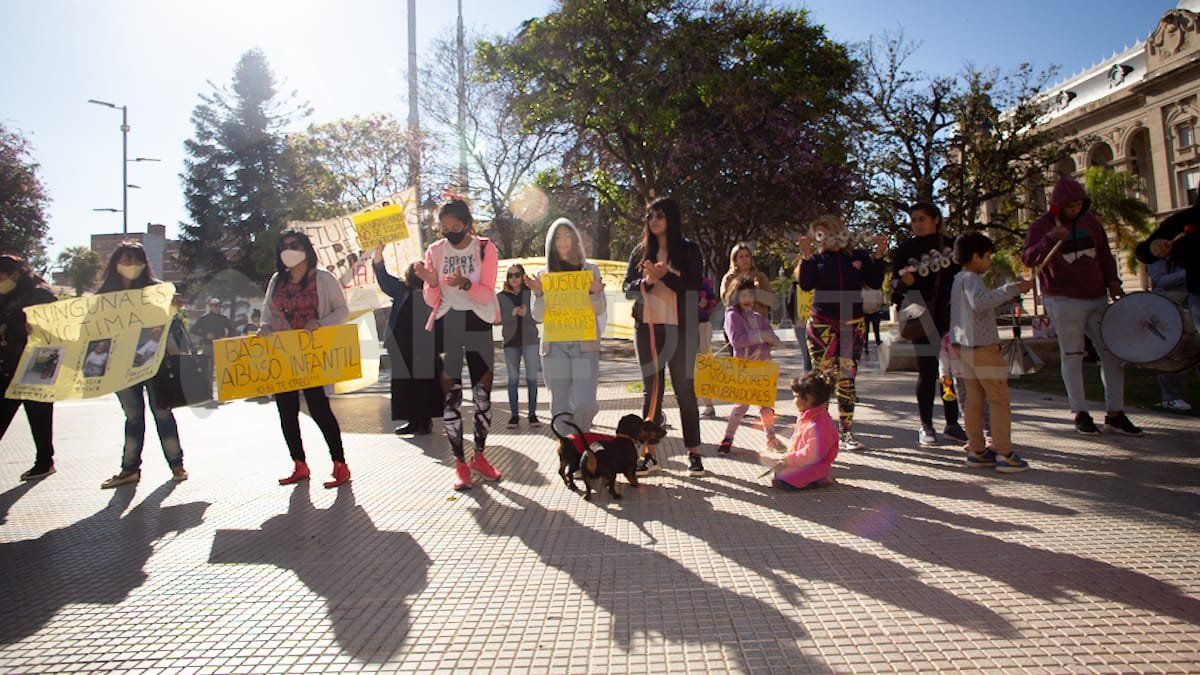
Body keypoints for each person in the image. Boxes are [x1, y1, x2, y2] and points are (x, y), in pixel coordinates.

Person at [1021, 175, 1142, 436]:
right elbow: (1028, 259)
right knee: (1072, 354)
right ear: (1058, 205)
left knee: (1111, 352)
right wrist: (1050, 238)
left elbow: (1105, 256)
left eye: (1078, 205)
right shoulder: (1042, 226)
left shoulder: (1091, 222)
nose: (1075, 210)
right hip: (1063, 298)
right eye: (1070, 206)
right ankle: (1080, 412)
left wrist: (1113, 282)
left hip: (1096, 296)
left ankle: (1115, 413)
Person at [414, 199, 503, 491]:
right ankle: (460, 463)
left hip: (478, 321)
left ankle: (480, 456)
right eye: (445, 228)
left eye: (456, 227)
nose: (450, 232)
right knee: (451, 396)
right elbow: (431, 299)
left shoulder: (484, 248)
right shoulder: (435, 251)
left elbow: (487, 293)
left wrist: (466, 284)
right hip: (448, 323)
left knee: (482, 395)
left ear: (467, 223)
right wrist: (432, 282)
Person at [622, 197, 706, 476]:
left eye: (659, 215)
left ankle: (694, 452)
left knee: (684, 390)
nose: (654, 220)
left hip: (680, 328)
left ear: (671, 218)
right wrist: (647, 281)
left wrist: (664, 276)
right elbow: (627, 288)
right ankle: (650, 455)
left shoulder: (689, 250)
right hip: (646, 328)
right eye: (649, 216)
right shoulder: (640, 251)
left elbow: (694, 286)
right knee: (653, 393)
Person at [261, 230, 352, 488]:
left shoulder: (323, 279)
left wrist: (321, 324)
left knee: (319, 408)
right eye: (284, 246)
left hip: (314, 355)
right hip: (283, 355)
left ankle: (340, 464)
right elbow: (267, 313)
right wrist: (266, 327)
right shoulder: (277, 281)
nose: (288, 249)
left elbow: (342, 310)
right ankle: (299, 464)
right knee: (287, 412)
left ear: (306, 249)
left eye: (294, 245)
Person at [96, 242, 189, 488]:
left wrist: (173, 307)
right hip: (120, 366)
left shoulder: (156, 290)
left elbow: (170, 323)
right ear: (115, 263)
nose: (132, 266)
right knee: (133, 416)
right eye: (126, 260)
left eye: (137, 261)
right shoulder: (103, 297)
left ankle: (177, 465)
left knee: (162, 411)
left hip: (153, 362)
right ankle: (129, 469)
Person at [796, 216, 887, 451]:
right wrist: (805, 256)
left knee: (847, 378)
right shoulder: (816, 259)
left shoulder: (857, 257)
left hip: (852, 324)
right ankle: (819, 432)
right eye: (818, 235)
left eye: (825, 233)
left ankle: (846, 432)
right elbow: (805, 284)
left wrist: (878, 254)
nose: (822, 239)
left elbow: (874, 281)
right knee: (822, 380)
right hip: (821, 325)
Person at [950, 232, 1033, 473]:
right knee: (998, 399)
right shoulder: (972, 279)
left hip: (964, 347)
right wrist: (1011, 289)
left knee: (974, 399)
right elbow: (981, 302)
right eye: (987, 257)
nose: (989, 262)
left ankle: (977, 450)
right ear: (976, 257)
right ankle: (1004, 452)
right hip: (983, 347)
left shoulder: (958, 279)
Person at [890, 202, 967, 446]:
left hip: (949, 314)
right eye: (914, 220)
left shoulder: (952, 245)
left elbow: (964, 278)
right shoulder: (905, 249)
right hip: (920, 314)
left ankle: (952, 422)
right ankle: (926, 425)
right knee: (927, 371)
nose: (918, 224)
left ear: (935, 219)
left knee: (951, 372)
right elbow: (894, 289)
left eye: (922, 219)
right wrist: (905, 282)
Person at [529, 219, 606, 438]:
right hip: (555, 348)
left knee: (585, 403)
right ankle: (569, 450)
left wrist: (595, 292)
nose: (563, 242)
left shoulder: (590, 270)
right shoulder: (543, 275)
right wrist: (539, 294)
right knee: (560, 404)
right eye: (558, 237)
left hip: (584, 347)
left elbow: (599, 309)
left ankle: (580, 440)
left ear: (576, 239)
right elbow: (537, 316)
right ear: (551, 243)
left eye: (568, 235)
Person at [1136, 200, 1200, 410]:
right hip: (1189, 297)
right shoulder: (1186, 221)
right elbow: (1144, 251)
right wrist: (1153, 248)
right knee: (1176, 346)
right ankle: (1173, 396)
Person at [0, 254, 58, 481]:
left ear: (15, 274)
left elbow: (56, 324)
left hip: (36, 362)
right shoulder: (5, 295)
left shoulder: (40, 294)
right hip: (8, 362)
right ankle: (45, 461)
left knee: (39, 415)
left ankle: (44, 462)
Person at [373, 245, 441, 436]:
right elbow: (383, 277)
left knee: (424, 383)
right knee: (405, 384)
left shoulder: (434, 290)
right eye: (415, 270)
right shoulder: (401, 289)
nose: (418, 272)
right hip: (401, 346)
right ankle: (412, 421)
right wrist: (378, 253)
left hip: (424, 345)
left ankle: (424, 421)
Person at [718, 277, 785, 454]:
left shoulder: (758, 317)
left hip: (763, 368)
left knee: (766, 406)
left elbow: (772, 337)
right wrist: (761, 336)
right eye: (743, 295)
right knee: (741, 406)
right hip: (744, 369)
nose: (747, 298)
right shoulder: (732, 316)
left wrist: (772, 339)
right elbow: (737, 341)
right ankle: (728, 438)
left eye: (751, 294)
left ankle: (771, 438)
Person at [767, 371, 838, 490]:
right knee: (779, 474)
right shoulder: (807, 416)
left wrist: (789, 459)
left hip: (815, 466)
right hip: (802, 462)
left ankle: (819, 480)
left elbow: (811, 454)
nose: (793, 400)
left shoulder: (819, 425)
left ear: (809, 398)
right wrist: (788, 455)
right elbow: (797, 440)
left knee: (783, 480)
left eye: (795, 396)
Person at [1145, 257, 1195, 410]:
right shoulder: (1159, 250)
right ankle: (1172, 397)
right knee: (1174, 350)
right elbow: (1160, 281)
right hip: (1170, 305)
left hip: (1192, 301)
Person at [499, 263, 542, 427]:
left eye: (517, 275)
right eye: (510, 275)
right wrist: (512, 313)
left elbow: (539, 316)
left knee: (532, 378)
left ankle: (532, 415)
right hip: (510, 343)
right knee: (513, 380)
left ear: (522, 276)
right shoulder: (501, 296)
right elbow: (497, 319)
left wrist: (527, 315)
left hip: (530, 341)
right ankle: (514, 416)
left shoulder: (530, 294)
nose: (513, 278)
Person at [720, 242, 773, 319]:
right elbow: (726, 300)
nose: (745, 259)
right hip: (737, 322)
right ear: (735, 260)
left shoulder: (760, 276)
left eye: (747, 256)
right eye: (741, 257)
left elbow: (770, 300)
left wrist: (758, 291)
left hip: (758, 322)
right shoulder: (729, 278)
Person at [697, 275, 720, 417]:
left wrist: (705, 305)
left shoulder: (704, 282)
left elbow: (712, 302)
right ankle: (690, 404)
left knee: (703, 364)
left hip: (702, 324)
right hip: (680, 325)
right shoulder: (676, 278)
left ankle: (708, 404)